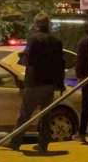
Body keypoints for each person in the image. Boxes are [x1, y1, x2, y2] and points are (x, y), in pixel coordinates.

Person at [8, 13, 65, 152]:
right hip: (50, 84)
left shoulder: (33, 39)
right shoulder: (56, 41)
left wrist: (23, 59)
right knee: (46, 115)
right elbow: (60, 64)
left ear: (36, 24)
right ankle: (43, 144)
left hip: (34, 82)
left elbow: (29, 60)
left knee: (25, 113)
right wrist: (60, 83)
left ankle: (15, 142)